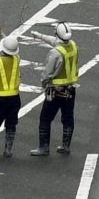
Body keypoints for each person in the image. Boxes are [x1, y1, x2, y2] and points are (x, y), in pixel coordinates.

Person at [25, 22, 79, 156]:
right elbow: (55, 41)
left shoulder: (55, 53)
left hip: (55, 91)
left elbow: (47, 73)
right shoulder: (73, 45)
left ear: (57, 34)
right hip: (71, 89)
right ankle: (66, 146)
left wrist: (44, 84)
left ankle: (43, 147)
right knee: (68, 117)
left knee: (45, 118)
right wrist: (40, 36)